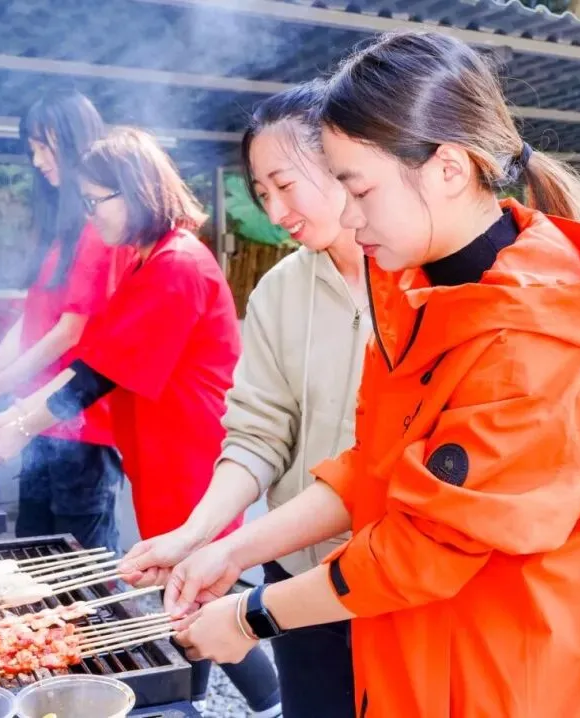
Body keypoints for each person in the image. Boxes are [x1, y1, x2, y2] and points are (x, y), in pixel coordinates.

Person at [167, 31, 580, 718]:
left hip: (502, 683)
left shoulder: (532, 343)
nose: (349, 216)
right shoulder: (419, 293)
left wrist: (248, 617)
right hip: (414, 665)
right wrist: (232, 552)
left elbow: (421, 550)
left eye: (358, 188)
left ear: (448, 169)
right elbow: (375, 468)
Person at [0, 127, 283, 717]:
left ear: (136, 191)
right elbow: (98, 359)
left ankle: (271, 704)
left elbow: (95, 376)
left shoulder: (177, 264)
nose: (90, 215)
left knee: (197, 590)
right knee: (182, 592)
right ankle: (190, 703)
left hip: (192, 459)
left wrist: (19, 423)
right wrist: (15, 414)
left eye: (97, 200)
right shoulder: (147, 260)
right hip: (162, 453)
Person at [117, 82, 364, 718]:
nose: (275, 211)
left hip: (386, 576)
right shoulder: (281, 290)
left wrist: (230, 552)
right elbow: (258, 433)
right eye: (261, 193)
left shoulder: (425, 282)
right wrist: (194, 536)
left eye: (285, 185)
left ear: (345, 160)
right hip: (294, 574)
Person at [0, 89, 124, 551]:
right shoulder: (61, 234)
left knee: (82, 566)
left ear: (75, 141)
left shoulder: (98, 229)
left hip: (81, 426)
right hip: (38, 423)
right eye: (32, 148)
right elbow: (29, 324)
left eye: (44, 146)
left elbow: (68, 333)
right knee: (34, 550)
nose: (37, 160)